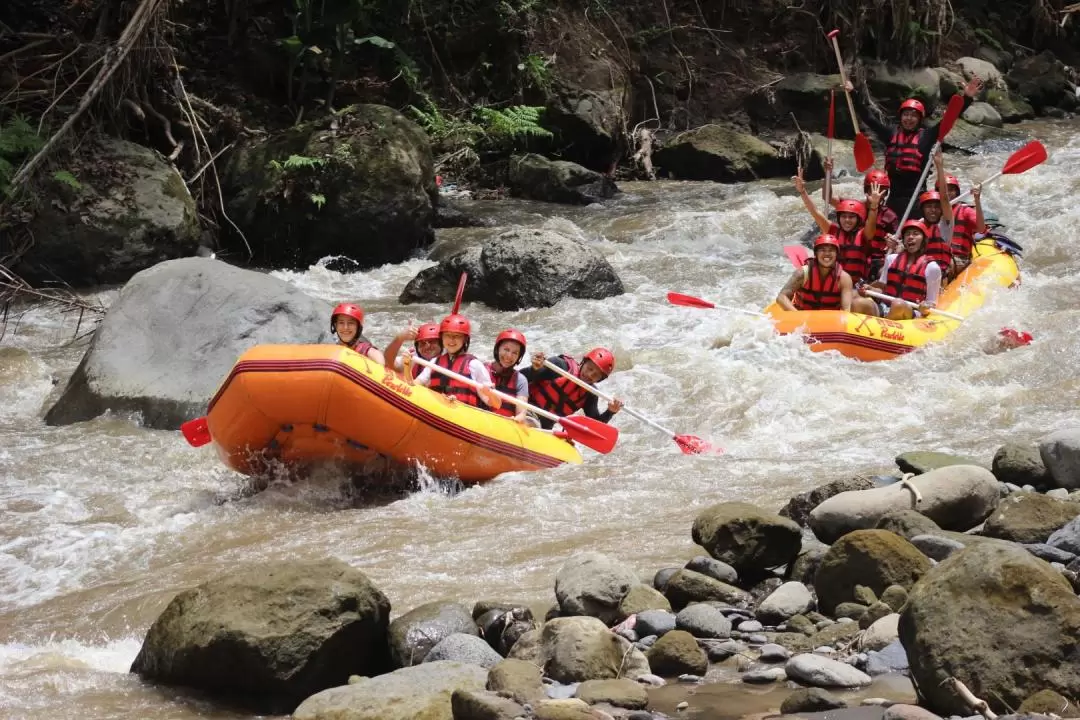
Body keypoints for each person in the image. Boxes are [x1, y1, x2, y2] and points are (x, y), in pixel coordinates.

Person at [854, 76, 983, 215]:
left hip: (917, 200)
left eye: (913, 116)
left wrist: (967, 97)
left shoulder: (927, 137)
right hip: (893, 199)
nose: (909, 119)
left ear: (920, 119)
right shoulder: (890, 134)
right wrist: (853, 95)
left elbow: (949, 118)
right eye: (906, 115)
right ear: (901, 117)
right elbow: (869, 119)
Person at [793, 168, 880, 286]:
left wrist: (874, 205)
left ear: (859, 219)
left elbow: (871, 222)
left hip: (855, 286)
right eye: (844, 216)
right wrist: (802, 192)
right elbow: (814, 211)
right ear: (839, 218)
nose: (847, 220)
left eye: (851, 217)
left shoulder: (865, 234)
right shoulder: (832, 230)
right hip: (833, 284)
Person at [411, 314, 499, 410]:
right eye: (447, 335)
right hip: (436, 411)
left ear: (465, 339)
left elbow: (495, 404)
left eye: (457, 336)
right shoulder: (435, 362)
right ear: (442, 338)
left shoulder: (474, 365)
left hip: (462, 416)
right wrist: (407, 365)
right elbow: (414, 385)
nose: (451, 340)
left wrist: (491, 393)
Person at [859, 219, 943, 320]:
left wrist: (925, 307)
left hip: (911, 311)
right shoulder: (891, 259)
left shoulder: (932, 268)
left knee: (898, 304)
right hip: (886, 307)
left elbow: (931, 302)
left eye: (915, 234)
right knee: (858, 302)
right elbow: (883, 289)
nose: (911, 237)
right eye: (907, 234)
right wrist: (871, 289)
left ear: (924, 240)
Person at [523, 348, 624, 431]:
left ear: (599, 380)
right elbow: (520, 377)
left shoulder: (590, 394)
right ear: (583, 362)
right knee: (531, 423)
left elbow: (595, 426)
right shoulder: (559, 366)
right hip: (525, 408)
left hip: (546, 426)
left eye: (596, 375)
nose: (589, 375)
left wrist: (610, 411)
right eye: (589, 368)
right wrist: (534, 370)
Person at [777, 234, 877, 314]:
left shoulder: (844, 278)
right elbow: (781, 297)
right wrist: (798, 318)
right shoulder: (802, 273)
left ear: (837, 254)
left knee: (864, 303)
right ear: (815, 254)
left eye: (831, 250)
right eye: (822, 250)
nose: (827, 254)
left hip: (830, 322)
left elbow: (846, 310)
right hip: (802, 316)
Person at [487, 329, 536, 426]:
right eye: (506, 349)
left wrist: (517, 419)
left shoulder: (521, 380)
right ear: (497, 349)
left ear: (519, 357)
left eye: (515, 353)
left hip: (506, 425)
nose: (509, 356)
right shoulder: (483, 369)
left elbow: (521, 413)